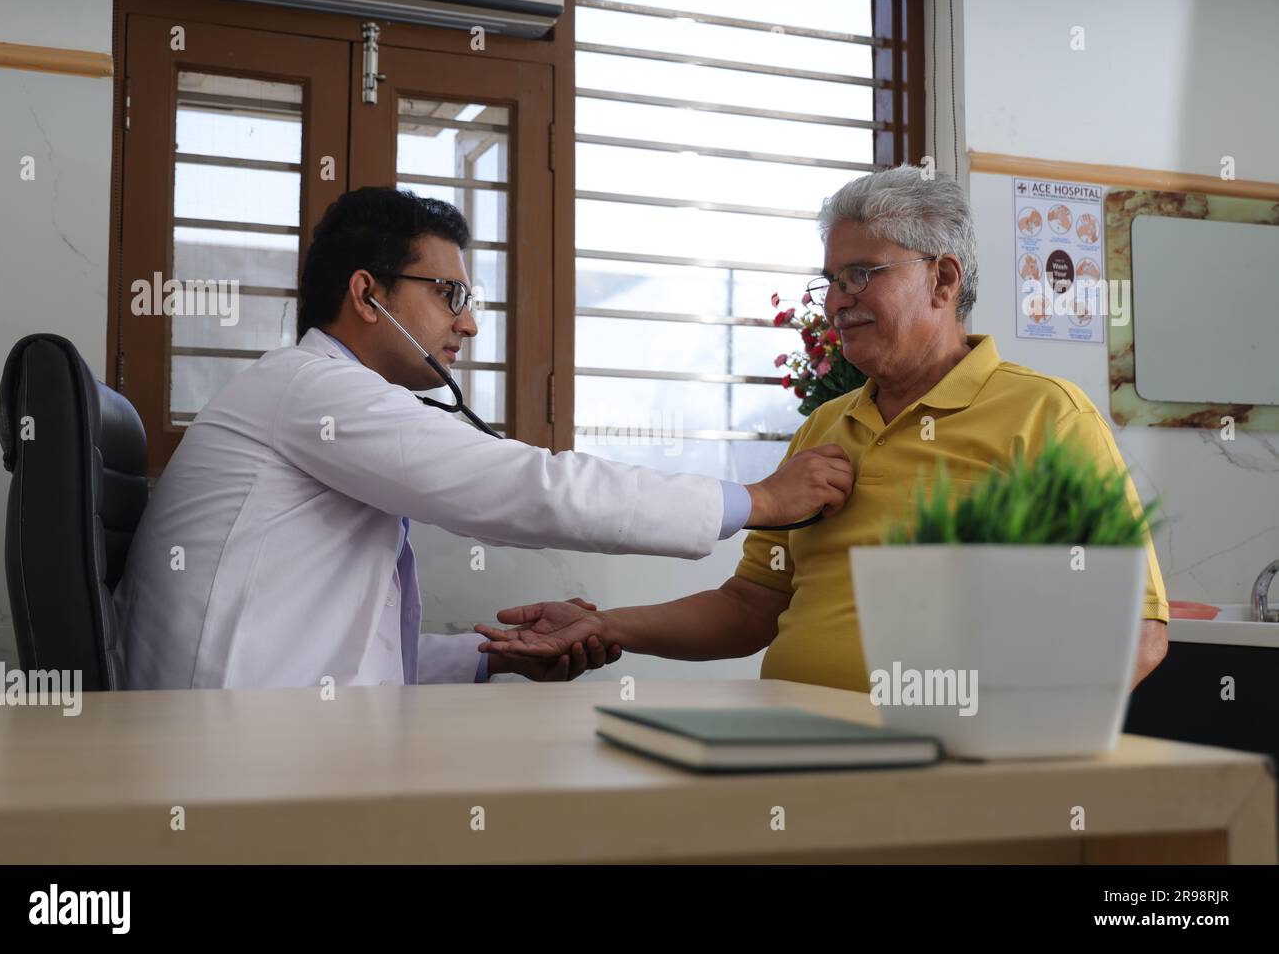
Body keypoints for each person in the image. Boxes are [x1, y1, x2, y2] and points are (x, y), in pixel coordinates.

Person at [114, 187, 852, 689]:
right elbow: (525, 488)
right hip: (226, 755)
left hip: (242, 731)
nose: (468, 322)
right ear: (368, 295)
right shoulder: (312, 391)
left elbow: (338, 653)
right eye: (451, 295)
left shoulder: (317, 396)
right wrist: (757, 498)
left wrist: (491, 658)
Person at [476, 166, 1170, 692]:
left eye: (862, 274)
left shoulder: (1045, 417)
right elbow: (751, 607)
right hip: (796, 755)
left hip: (951, 776)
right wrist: (607, 625)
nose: (839, 300)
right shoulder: (823, 429)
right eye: (831, 280)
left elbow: (1135, 635)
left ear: (944, 278)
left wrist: (994, 740)